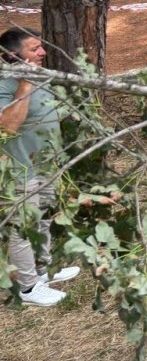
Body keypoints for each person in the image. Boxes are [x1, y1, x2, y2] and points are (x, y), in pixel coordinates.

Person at [1, 27, 79, 307]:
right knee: (24, 229)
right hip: (19, 172)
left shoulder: (40, 74)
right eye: (35, 49)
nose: (43, 53)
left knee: (43, 219)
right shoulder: (3, 83)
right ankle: (29, 288)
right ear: (13, 56)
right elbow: (7, 127)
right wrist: (23, 85)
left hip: (46, 166)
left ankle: (43, 273)